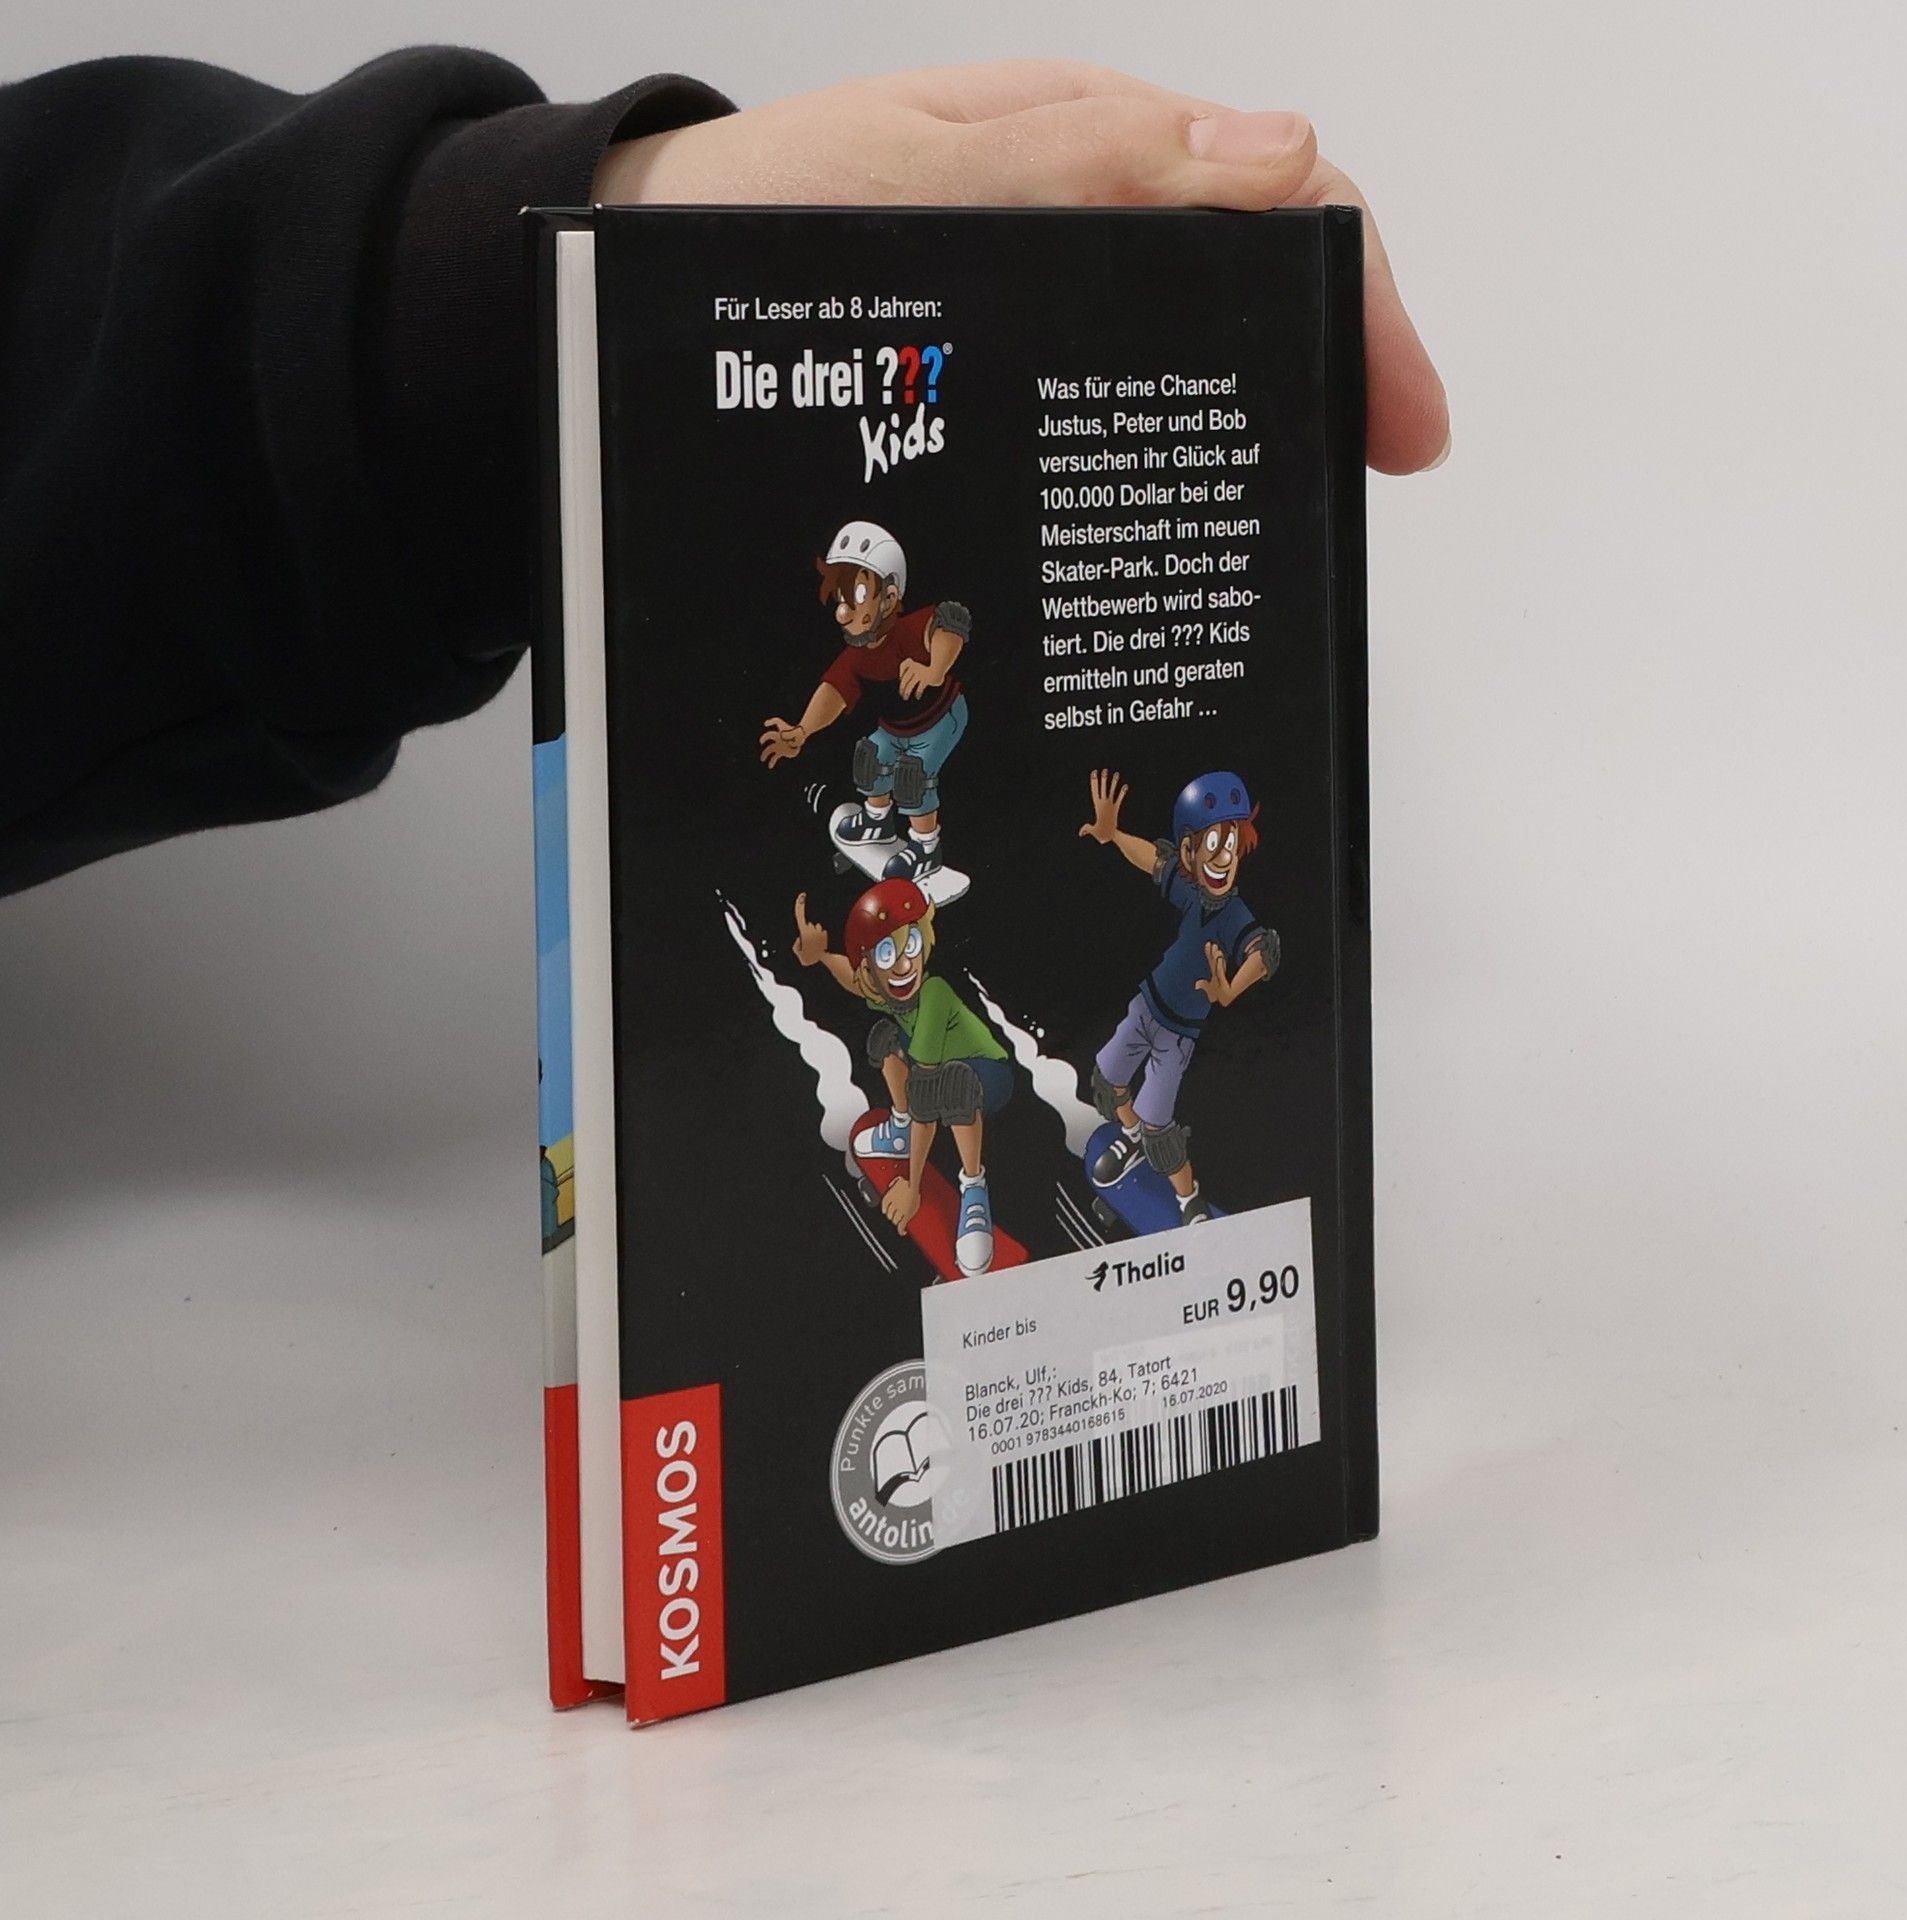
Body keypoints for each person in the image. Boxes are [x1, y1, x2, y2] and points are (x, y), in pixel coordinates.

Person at [0, 55, 1448, 899]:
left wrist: (505, 295)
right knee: (868, 790)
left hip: (945, 740)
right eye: (850, 591)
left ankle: (918, 852)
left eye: (865, 591)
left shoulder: (919, 634)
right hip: (892, 763)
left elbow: (952, 632)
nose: (858, 606)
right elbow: (832, 690)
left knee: (908, 782)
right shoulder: (853, 651)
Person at [1079, 768, 1279, 1224]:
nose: (1224, 857)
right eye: (1214, 844)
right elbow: (1154, 861)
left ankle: (1189, 1201)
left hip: (1178, 1034)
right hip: (1146, 1006)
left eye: (1231, 844)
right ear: (1189, 851)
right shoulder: (1191, 891)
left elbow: (1262, 952)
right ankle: (1129, 1137)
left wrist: (1229, 989)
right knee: (1108, 1080)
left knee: (1160, 1130)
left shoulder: (1234, 914)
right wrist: (1113, 835)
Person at [790, 882, 1012, 1276]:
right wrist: (820, 955)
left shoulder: (935, 992)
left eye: (910, 946)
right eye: (886, 954)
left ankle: (974, 1189)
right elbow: (854, 980)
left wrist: (912, 1188)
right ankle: (900, 1128)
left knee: (952, 1084)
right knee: (884, 1037)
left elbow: (926, 1099)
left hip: (986, 1075)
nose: (904, 965)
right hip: (938, 1072)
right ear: (870, 966)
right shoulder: (891, 992)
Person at [760, 522, 972, 884]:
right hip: (895, 729)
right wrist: (802, 731)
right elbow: (833, 692)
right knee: (870, 757)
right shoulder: (856, 657)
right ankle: (877, 821)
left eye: (857, 596)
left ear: (888, 598)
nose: (843, 613)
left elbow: (952, 622)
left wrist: (935, 669)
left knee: (912, 774)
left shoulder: (910, 631)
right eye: (841, 601)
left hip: (941, 718)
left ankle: (926, 847)